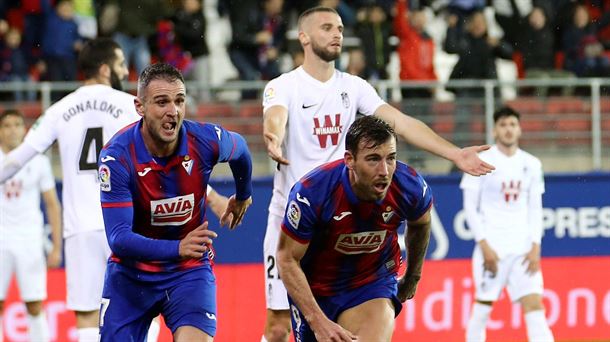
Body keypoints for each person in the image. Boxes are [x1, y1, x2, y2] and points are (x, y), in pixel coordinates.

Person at [261, 6, 494, 341]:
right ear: (304, 37)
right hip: (293, 221)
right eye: (327, 27)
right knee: (278, 326)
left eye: (340, 27)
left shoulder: (354, 87)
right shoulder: (283, 85)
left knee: (368, 321)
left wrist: (453, 152)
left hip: (346, 214)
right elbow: (276, 115)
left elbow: (399, 122)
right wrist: (272, 133)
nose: (337, 33)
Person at [97, 62, 253, 342]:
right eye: (162, 102)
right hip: (132, 275)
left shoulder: (204, 140)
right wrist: (178, 247)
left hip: (187, 272)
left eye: (180, 100)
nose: (174, 111)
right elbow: (118, 238)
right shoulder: (117, 156)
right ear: (140, 107)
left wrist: (243, 195)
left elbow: (241, 149)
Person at [0, 37, 139, 342]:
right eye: (119, 64)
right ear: (104, 69)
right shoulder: (130, 105)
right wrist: (207, 192)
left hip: (81, 228)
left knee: (87, 314)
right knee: (138, 307)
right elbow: (171, 152)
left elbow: (15, 160)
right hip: (124, 222)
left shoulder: (60, 110)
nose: (123, 71)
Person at [277, 115, 432, 341]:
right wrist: (317, 320)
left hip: (371, 282)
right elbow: (287, 259)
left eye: (391, 158)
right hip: (316, 289)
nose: (385, 171)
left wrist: (412, 276)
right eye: (373, 159)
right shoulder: (312, 192)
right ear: (349, 160)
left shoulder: (408, 186)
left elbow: (421, 223)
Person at [461, 106, 554, 342]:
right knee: (483, 308)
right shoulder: (481, 161)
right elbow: (470, 207)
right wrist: (484, 245)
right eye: (503, 125)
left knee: (535, 306)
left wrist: (535, 245)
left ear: (520, 129)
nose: (508, 129)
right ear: (495, 130)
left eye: (513, 124)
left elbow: (535, 207)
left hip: (523, 248)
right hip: (492, 247)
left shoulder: (532, 164)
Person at [0, 109, 62, 342]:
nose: (13, 129)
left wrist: (56, 247)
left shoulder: (38, 161)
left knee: (35, 304)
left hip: (30, 239)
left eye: (17, 124)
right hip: (1, 239)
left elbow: (52, 204)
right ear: (0, 131)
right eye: (7, 125)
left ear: (25, 129)